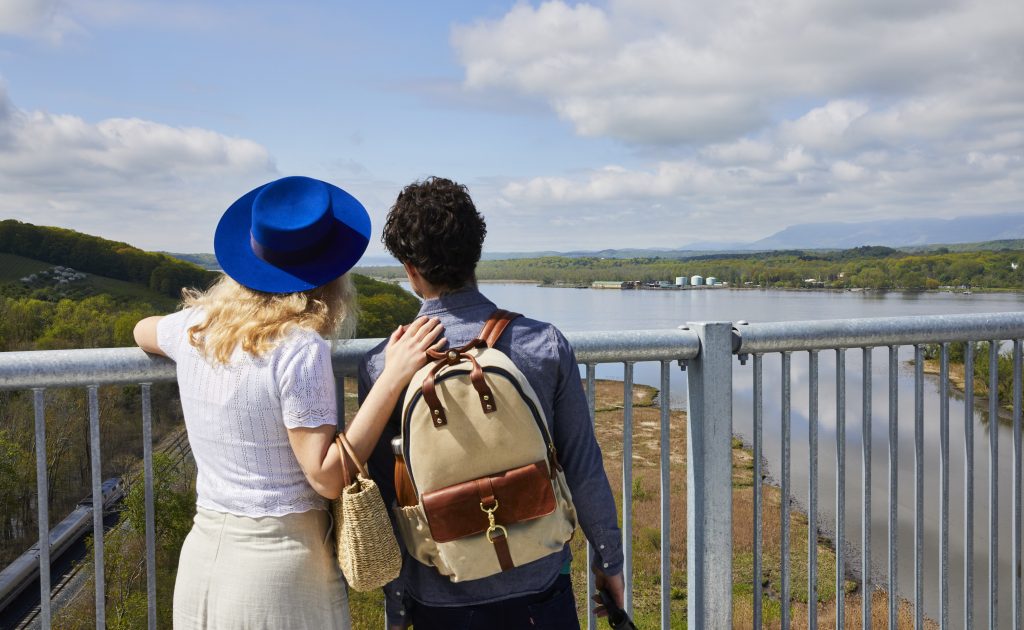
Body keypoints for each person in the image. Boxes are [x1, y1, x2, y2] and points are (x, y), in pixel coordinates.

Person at [133, 175, 444, 629]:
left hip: (202, 559)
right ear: (331, 272)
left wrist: (194, 322)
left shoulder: (195, 328)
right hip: (279, 571)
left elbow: (143, 329)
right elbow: (326, 476)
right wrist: (393, 376)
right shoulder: (298, 348)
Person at [358, 176, 625, 630]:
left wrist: (399, 605)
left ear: (410, 269)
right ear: (476, 253)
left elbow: (390, 498)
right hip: (539, 586)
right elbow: (582, 463)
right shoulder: (543, 344)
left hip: (439, 596)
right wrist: (609, 562)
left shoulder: (382, 365)